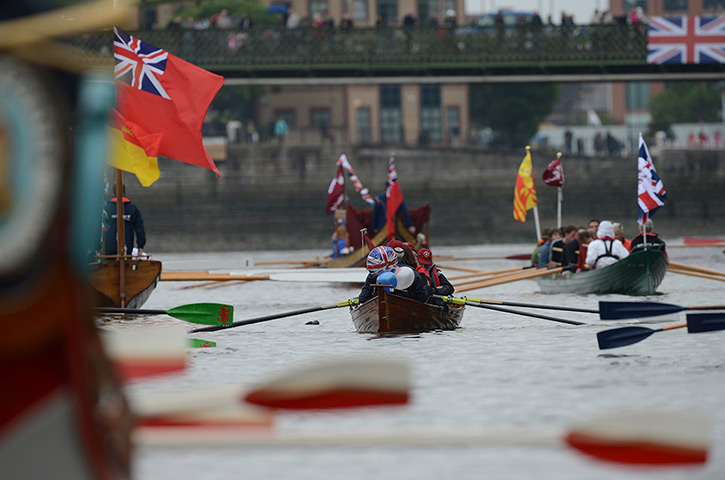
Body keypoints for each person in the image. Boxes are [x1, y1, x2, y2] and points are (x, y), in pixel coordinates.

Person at [357, 246, 429, 304]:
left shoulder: (373, 274)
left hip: (378, 304)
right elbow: (422, 297)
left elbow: (363, 298)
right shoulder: (412, 271)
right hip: (407, 306)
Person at [103, 184, 146, 256]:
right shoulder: (133, 208)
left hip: (109, 250)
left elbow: (99, 227)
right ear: (124, 192)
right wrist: (140, 246)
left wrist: (97, 247)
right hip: (127, 249)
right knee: (127, 266)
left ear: (113, 193)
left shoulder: (106, 208)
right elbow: (139, 229)